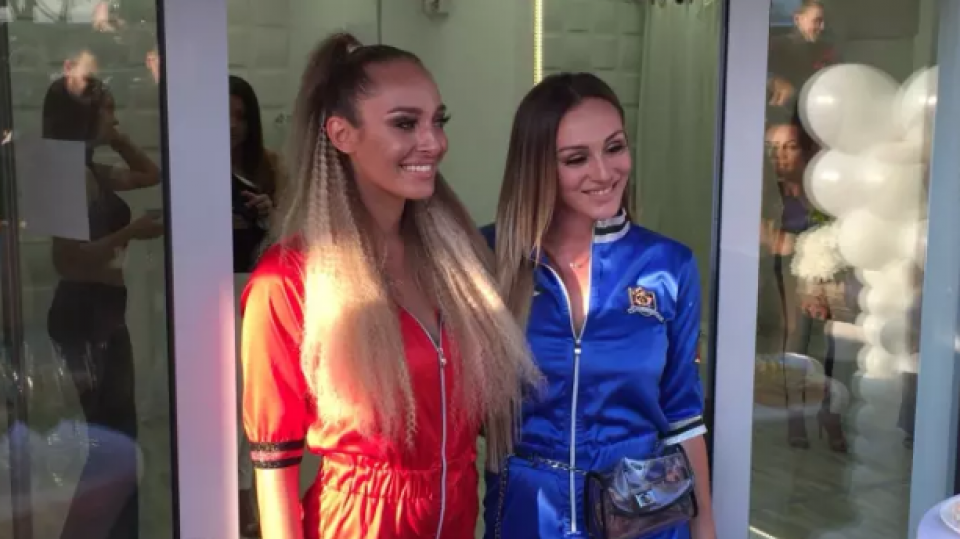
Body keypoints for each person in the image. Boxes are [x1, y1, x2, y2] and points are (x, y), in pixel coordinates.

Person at [240, 32, 541, 539]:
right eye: (405, 123)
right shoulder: (289, 280)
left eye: (438, 121)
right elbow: (273, 472)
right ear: (342, 134)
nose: (434, 142)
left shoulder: (458, 261)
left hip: (457, 517)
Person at [481, 72, 715, 539]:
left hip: (643, 516)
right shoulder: (485, 259)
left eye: (614, 148)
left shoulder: (667, 266)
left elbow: (682, 415)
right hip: (530, 514)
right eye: (576, 158)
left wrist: (705, 526)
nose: (605, 172)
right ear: (538, 167)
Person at [42, 71, 162, 538]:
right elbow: (67, 259)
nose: (116, 117)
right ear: (84, 116)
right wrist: (130, 232)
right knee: (112, 439)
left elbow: (150, 174)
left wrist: (116, 136)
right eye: (108, 109)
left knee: (116, 436)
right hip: (84, 312)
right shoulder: (64, 174)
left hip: (103, 310)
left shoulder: (88, 169)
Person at [229, 73, 286, 537]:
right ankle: (235, 502)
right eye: (223, 115)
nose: (232, 125)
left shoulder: (270, 165)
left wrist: (270, 212)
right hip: (205, 288)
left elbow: (295, 233)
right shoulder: (191, 164)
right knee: (221, 402)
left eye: (241, 116)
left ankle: (253, 510)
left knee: (254, 398)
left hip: (257, 287)